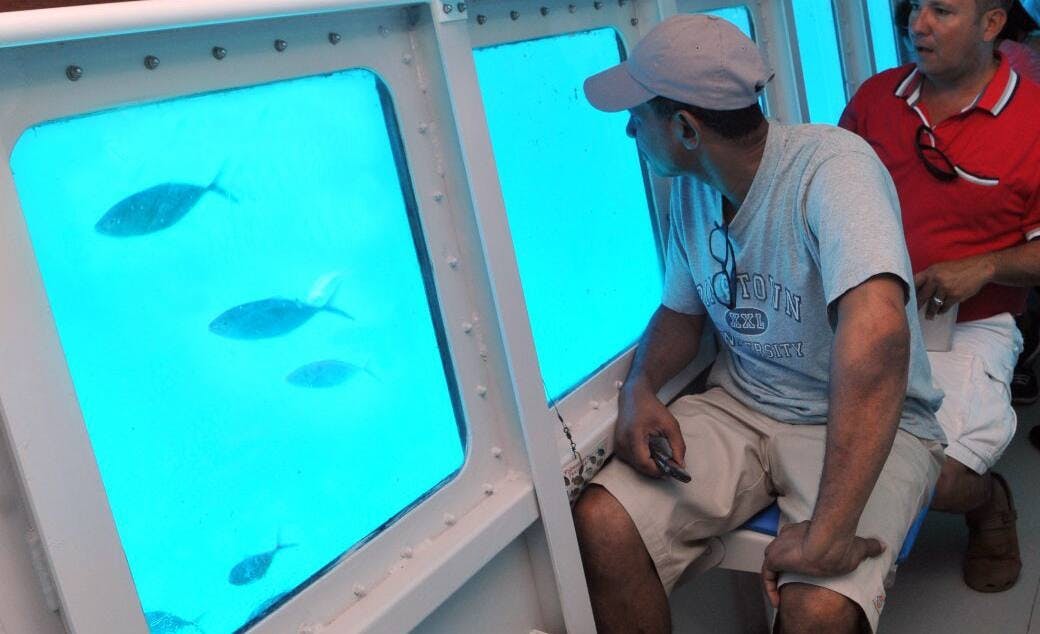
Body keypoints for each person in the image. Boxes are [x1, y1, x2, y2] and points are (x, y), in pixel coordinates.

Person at [573, 14, 946, 634]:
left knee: (817, 614)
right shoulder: (693, 188)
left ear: (687, 128)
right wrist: (639, 389)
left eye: (640, 113)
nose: (630, 128)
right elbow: (679, 313)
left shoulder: (832, 168)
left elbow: (878, 332)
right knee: (604, 525)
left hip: (857, 420)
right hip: (743, 406)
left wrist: (826, 535)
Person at [840, 0, 1040, 593]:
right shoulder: (875, 99)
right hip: (868, 313)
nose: (917, 24)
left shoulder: (1034, 120)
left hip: (971, 324)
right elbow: (830, 190)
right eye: (913, 8)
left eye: (943, 11)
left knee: (939, 472)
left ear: (992, 24)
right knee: (849, 452)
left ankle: (987, 503)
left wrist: (986, 265)